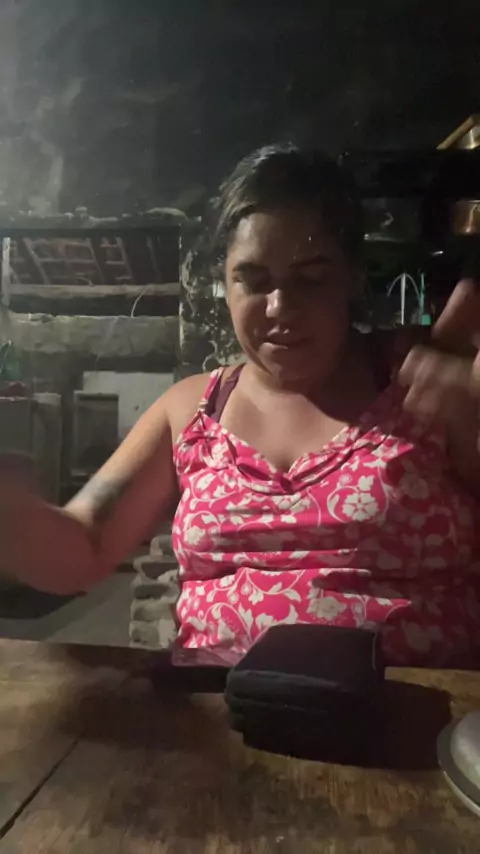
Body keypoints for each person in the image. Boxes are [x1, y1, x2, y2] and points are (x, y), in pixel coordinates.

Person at [2, 144, 480, 668]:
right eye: (253, 280)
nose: (280, 308)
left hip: (415, 710)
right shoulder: (191, 410)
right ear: (224, 285)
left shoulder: (427, 385)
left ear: (351, 277)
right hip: (222, 714)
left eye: (311, 278)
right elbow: (85, 547)